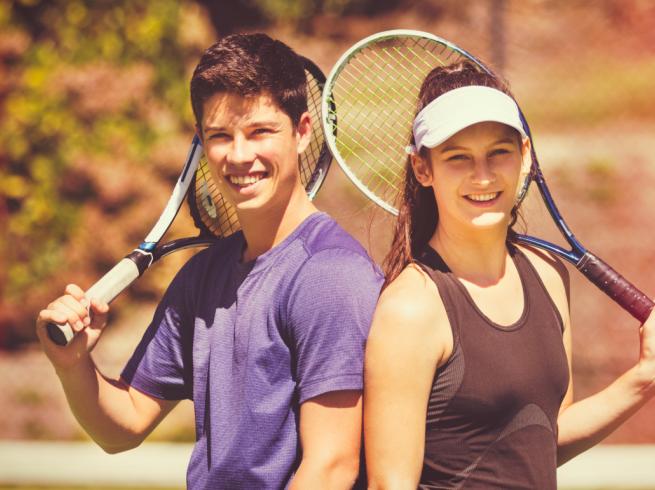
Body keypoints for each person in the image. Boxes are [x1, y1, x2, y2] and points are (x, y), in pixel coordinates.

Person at [36, 33, 383, 489]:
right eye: (221, 136)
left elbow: (331, 468)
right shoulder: (203, 276)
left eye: (260, 131)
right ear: (200, 141)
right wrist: (73, 364)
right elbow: (122, 428)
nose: (240, 155)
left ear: (302, 132)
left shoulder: (331, 275)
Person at [363, 60, 655, 489]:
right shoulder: (410, 309)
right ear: (423, 169)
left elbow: (543, 439)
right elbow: (391, 485)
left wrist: (645, 377)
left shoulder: (549, 274)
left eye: (498, 152)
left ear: (525, 155)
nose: (482, 176)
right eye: (458, 157)